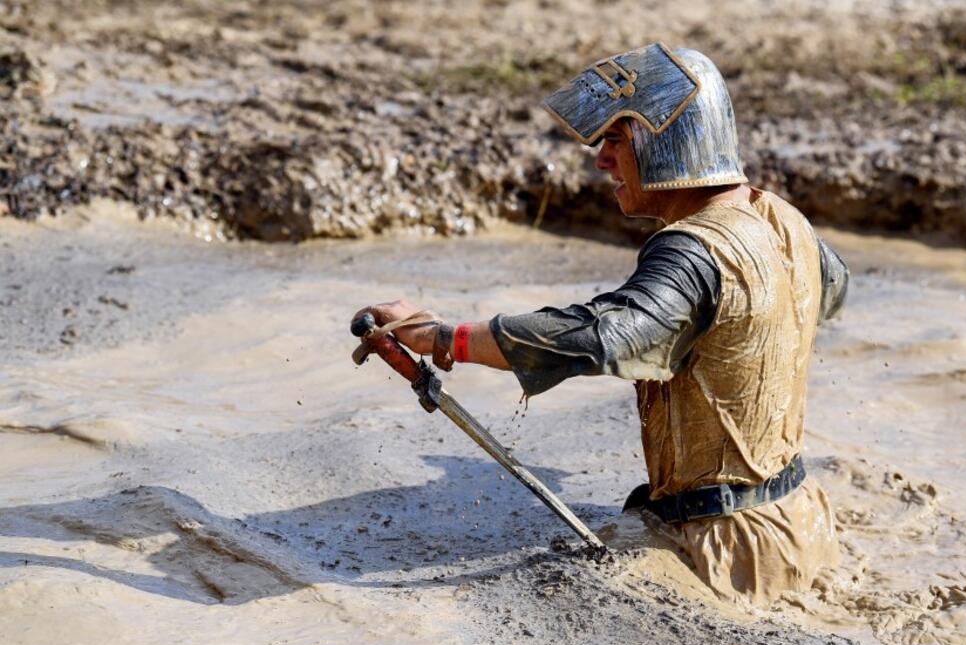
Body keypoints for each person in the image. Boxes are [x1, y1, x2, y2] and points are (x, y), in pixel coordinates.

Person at [355, 43, 849, 605]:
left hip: (723, 550)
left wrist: (444, 338)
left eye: (616, 138)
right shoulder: (784, 220)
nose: (600, 159)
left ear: (665, 141)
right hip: (800, 520)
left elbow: (605, 334)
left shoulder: (691, 251)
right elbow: (829, 291)